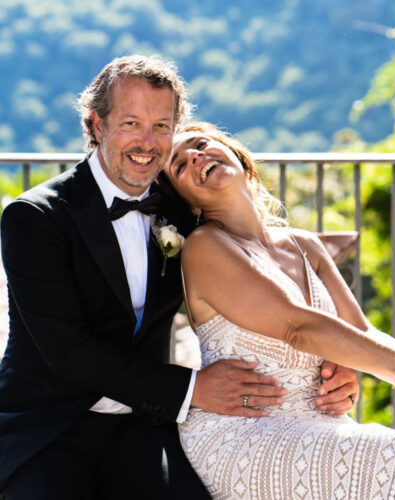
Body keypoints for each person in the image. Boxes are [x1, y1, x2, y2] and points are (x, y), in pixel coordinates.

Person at [0, 55, 357, 500]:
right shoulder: (35, 217)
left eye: (162, 127)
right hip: (49, 429)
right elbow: (69, 355)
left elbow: (259, 274)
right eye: (131, 123)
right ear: (96, 124)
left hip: (143, 424)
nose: (147, 143)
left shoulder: (180, 210)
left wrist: (335, 366)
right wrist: (194, 387)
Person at [162, 121, 395, 499]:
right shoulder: (204, 247)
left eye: (201, 143)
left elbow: (361, 330)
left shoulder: (304, 244)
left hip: (320, 424)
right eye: (179, 165)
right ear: (186, 200)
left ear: (236, 154)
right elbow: (297, 326)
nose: (195, 156)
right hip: (240, 435)